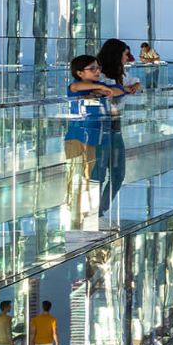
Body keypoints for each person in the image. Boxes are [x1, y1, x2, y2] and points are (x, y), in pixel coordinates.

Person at [64, 54, 121, 230]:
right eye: (92, 69)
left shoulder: (98, 88)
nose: (97, 71)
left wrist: (103, 89)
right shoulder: (76, 87)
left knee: (96, 177)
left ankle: (93, 215)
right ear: (80, 72)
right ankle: (84, 218)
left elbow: (119, 91)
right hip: (79, 138)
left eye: (98, 68)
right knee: (85, 179)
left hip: (97, 136)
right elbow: (76, 86)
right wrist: (100, 87)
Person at [92, 39, 140, 228]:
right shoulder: (100, 75)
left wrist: (128, 88)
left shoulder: (122, 74)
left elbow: (133, 84)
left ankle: (100, 211)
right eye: (124, 54)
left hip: (116, 127)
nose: (127, 58)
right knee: (99, 173)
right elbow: (109, 92)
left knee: (118, 173)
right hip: (101, 127)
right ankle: (94, 213)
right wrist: (125, 90)